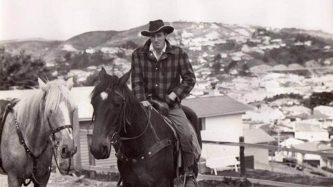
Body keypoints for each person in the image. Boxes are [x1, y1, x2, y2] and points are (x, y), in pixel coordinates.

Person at [131, 19, 201, 186]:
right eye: (153, 36)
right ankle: (127, 171)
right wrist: (141, 100)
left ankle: (188, 172)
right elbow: (136, 82)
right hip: (146, 106)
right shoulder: (138, 55)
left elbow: (189, 79)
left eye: (159, 36)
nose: (156, 40)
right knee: (127, 132)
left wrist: (173, 95)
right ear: (150, 37)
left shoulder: (178, 53)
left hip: (171, 106)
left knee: (185, 134)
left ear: (165, 35)